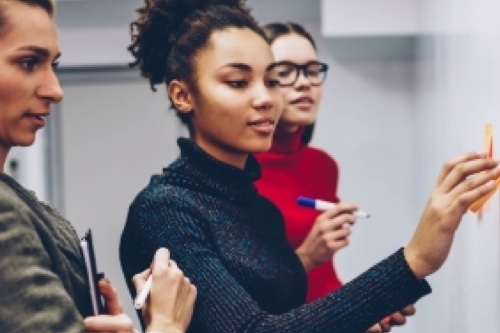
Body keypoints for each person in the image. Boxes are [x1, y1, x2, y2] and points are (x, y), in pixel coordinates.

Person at [119, 0, 500, 332]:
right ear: (183, 94)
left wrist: (354, 320)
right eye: (238, 82)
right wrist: (414, 260)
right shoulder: (165, 211)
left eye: (270, 81)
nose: (266, 99)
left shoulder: (259, 209)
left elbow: (288, 315)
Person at [0, 1, 196, 332]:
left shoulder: (27, 206)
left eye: (53, 65)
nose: (55, 90)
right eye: (29, 62)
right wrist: (165, 325)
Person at [254, 21, 350, 302]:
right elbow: (241, 303)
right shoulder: (237, 174)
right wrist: (306, 256)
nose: (304, 82)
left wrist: (365, 309)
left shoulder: (324, 166)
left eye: (311, 71)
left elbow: (325, 278)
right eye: (285, 72)